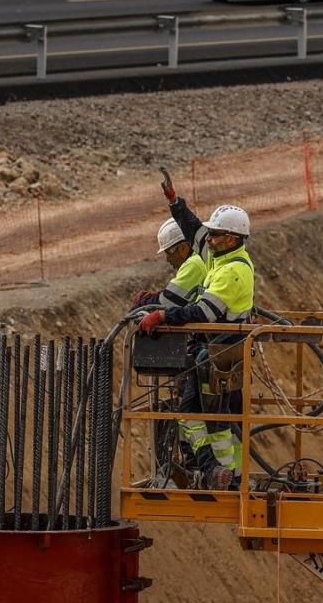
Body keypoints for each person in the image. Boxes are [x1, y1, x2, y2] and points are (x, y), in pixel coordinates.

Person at [138, 199, 255, 489]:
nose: (210, 238)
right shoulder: (221, 257)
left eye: (216, 234)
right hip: (211, 353)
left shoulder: (233, 271)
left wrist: (163, 314)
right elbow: (196, 234)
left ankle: (229, 477)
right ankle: (214, 469)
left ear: (232, 238)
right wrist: (176, 204)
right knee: (191, 412)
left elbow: (203, 312)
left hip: (220, 354)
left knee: (215, 419)